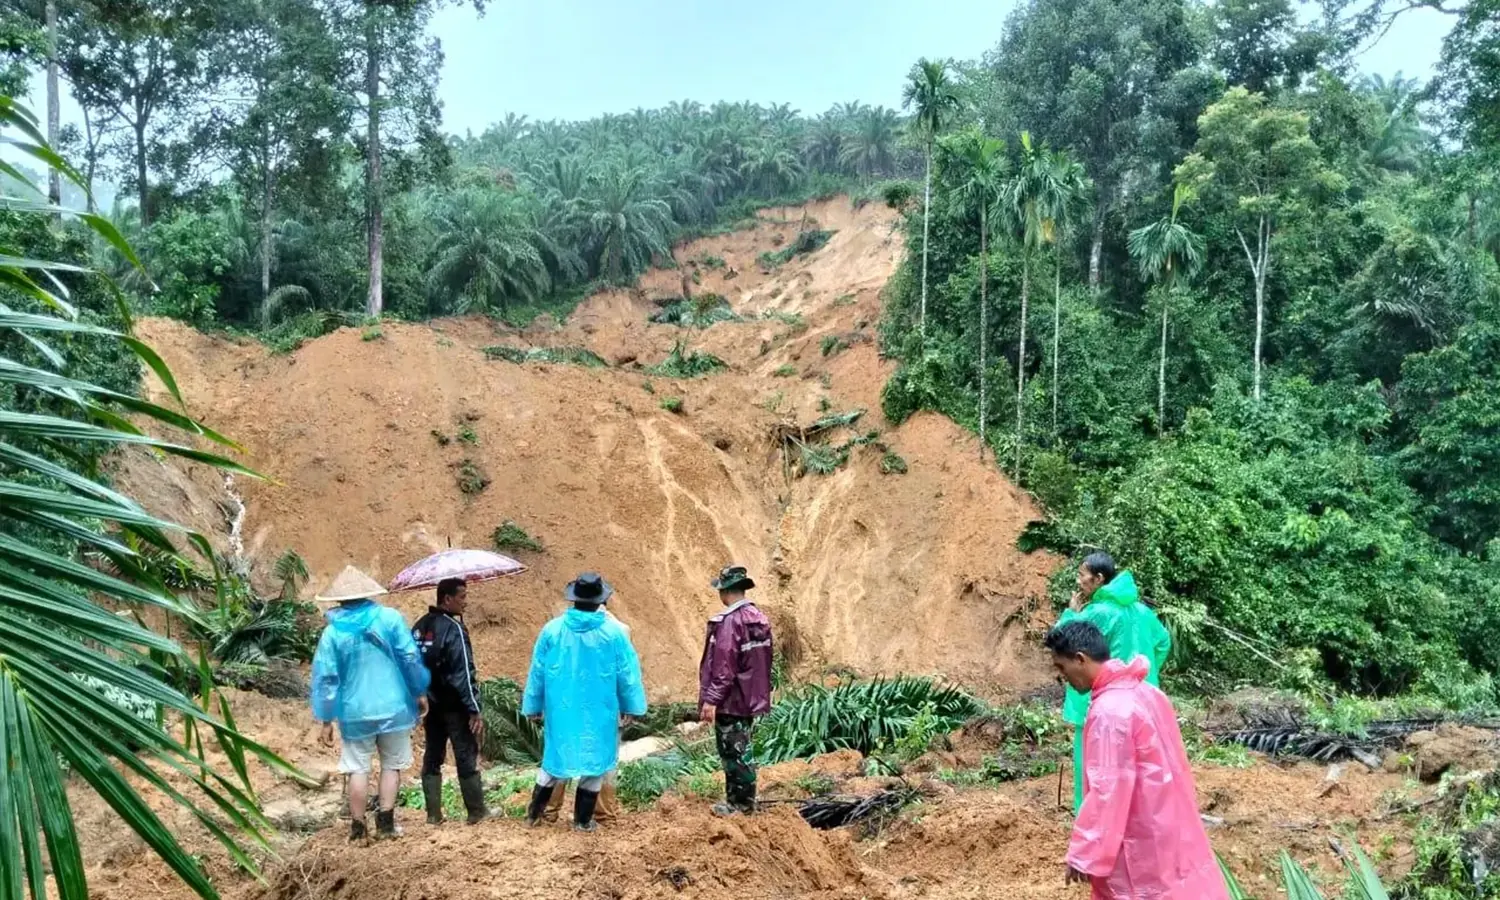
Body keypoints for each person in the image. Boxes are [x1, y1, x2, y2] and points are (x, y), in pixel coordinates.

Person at [1046, 620, 1226, 900]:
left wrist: (1084, 853)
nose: (1062, 677)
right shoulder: (1147, 693)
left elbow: (1108, 790)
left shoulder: (1109, 712)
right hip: (1171, 827)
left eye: (1061, 667)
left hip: (1139, 838)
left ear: (1080, 659)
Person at [310, 566, 431, 841]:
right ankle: (386, 825)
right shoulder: (390, 619)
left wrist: (326, 719)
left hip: (354, 712)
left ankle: (358, 829)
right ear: (368, 593)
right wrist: (419, 692)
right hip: (394, 707)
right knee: (391, 764)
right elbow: (409, 657)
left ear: (339, 599)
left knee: (357, 767)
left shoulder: (332, 633)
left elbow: (326, 678)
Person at [521, 572, 647, 832]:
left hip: (561, 709)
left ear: (573, 599)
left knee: (554, 759)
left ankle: (534, 816)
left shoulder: (552, 630)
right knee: (595, 762)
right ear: (600, 600)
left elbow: (537, 671)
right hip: (600, 711)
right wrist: (632, 707)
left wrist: (533, 705)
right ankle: (583, 821)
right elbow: (627, 674)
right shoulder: (613, 634)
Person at [1056, 551, 1171, 813]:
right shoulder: (1142, 611)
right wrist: (1147, 675)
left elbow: (1061, 641)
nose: (1078, 581)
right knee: (1136, 767)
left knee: (1092, 770)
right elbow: (1163, 642)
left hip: (1098, 706)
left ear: (1098, 579)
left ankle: (1089, 821)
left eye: (1082, 575)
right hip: (1142, 704)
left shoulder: (1097, 613)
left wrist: (1071, 613)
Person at [543, 604, 631, 824]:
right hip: (602, 707)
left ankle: (547, 811)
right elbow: (626, 673)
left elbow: (546, 670)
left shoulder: (559, 628)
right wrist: (629, 705)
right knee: (603, 761)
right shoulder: (618, 630)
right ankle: (601, 814)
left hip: (567, 705)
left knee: (561, 755)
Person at [698, 565, 773, 817]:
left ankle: (740, 805)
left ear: (725, 591)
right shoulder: (758, 618)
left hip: (731, 700)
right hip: (750, 698)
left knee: (733, 753)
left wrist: (711, 700)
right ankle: (742, 801)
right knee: (743, 748)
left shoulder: (730, 622)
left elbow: (724, 668)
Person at [412, 578, 486, 825]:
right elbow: (462, 672)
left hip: (430, 704)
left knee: (433, 755)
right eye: (462, 597)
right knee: (465, 754)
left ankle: (433, 815)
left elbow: (411, 665)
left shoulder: (420, 626)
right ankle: (476, 812)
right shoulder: (454, 629)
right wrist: (473, 708)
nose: (466, 602)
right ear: (447, 599)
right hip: (455, 705)